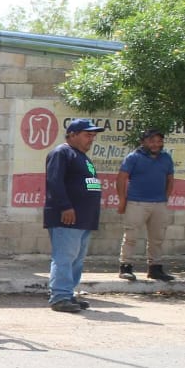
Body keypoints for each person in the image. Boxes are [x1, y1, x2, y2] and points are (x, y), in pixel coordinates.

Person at [45, 118, 105, 313]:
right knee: (64, 257)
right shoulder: (62, 153)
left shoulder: (82, 157)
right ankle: (60, 297)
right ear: (72, 135)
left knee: (76, 259)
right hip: (67, 217)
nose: (92, 139)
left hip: (84, 218)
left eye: (93, 135)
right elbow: (55, 181)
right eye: (88, 135)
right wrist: (65, 206)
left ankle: (68, 293)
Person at [116, 129, 176, 282]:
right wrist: (122, 200)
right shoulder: (133, 157)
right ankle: (126, 267)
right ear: (143, 142)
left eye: (159, 141)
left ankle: (155, 269)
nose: (156, 144)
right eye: (152, 141)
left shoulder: (166, 158)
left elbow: (170, 179)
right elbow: (121, 178)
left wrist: (165, 198)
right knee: (131, 236)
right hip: (136, 202)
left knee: (157, 238)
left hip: (159, 204)